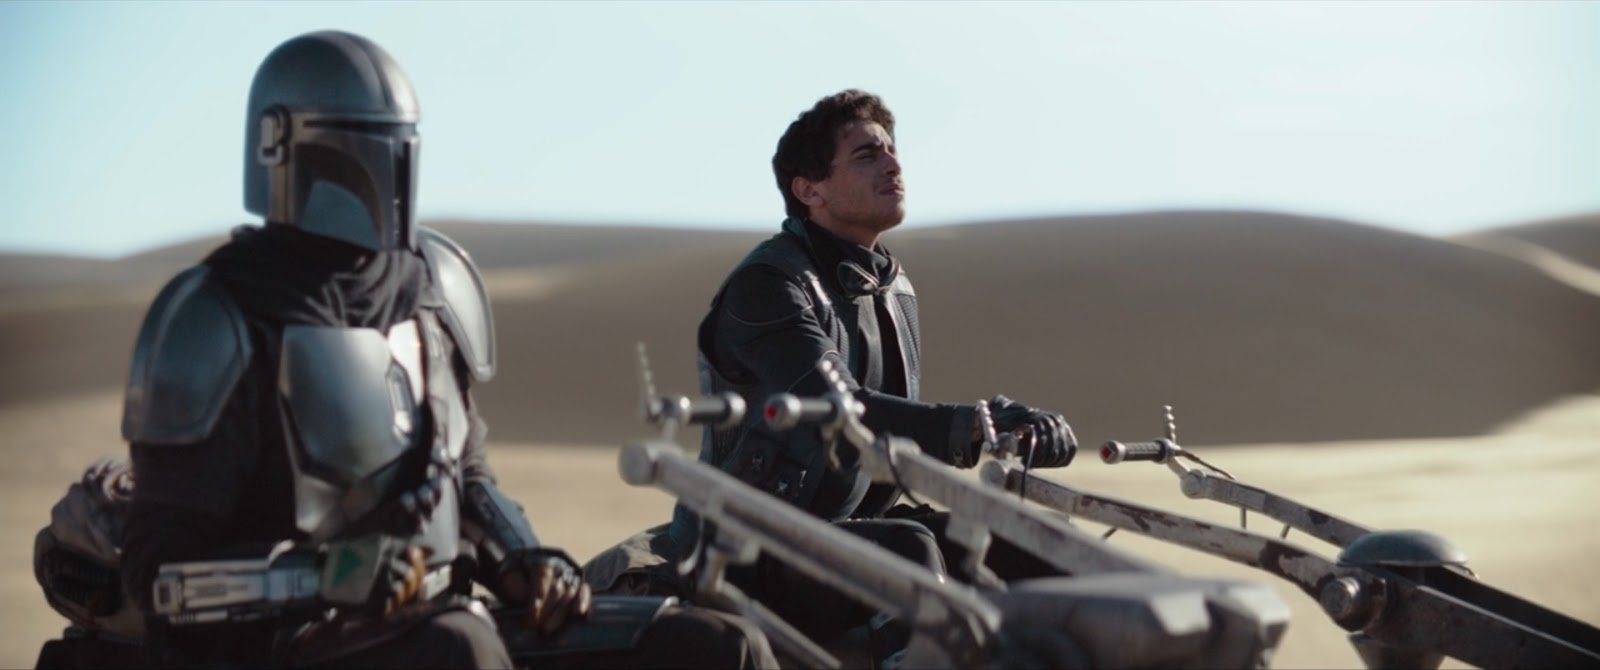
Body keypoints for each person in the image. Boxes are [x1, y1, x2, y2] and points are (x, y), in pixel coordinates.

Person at [99, 31, 773, 670]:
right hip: (286, 643)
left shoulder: (431, 290)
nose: (386, 167)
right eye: (364, 144)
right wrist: (330, 574)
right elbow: (161, 574)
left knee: (715, 645)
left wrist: (528, 559)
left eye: (396, 143)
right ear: (286, 147)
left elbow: (465, 477)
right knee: (458, 649)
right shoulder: (215, 316)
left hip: (445, 616)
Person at [586, 89, 1076, 665]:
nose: (892, 165)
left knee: (1037, 545)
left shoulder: (894, 288)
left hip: (856, 527)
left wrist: (1009, 430)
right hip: (751, 546)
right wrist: (976, 425)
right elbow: (842, 411)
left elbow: (891, 431)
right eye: (867, 155)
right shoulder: (770, 284)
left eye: (891, 151)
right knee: (906, 551)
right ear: (809, 190)